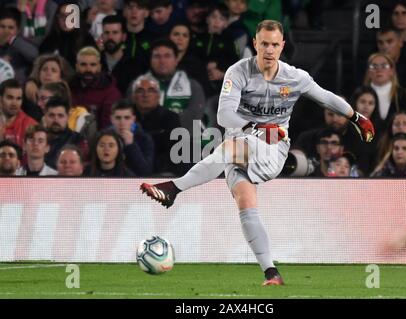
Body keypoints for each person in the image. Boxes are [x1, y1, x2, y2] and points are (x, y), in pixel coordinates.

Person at [139, 20, 375, 286]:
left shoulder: (295, 77)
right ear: (255, 44)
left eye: (275, 44)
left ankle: (174, 188)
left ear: (282, 45)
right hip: (240, 143)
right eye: (264, 44)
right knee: (246, 204)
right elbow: (224, 114)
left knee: (230, 148)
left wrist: (356, 117)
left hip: (273, 147)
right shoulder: (238, 72)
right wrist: (254, 126)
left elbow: (325, 97)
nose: (270, 50)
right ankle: (271, 272)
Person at [131, 74, 182, 175]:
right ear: (134, 96)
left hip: (160, 171)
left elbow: (175, 153)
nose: (145, 95)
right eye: (140, 91)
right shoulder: (126, 116)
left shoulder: (170, 118)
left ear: (158, 96)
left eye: (151, 90)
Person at [70, 46, 122, 130]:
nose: (88, 69)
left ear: (99, 67)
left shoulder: (111, 93)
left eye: (93, 65)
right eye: (83, 64)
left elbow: (107, 127)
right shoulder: (68, 88)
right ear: (76, 67)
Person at [99, 14, 142, 95]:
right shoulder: (95, 61)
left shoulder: (134, 65)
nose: (110, 37)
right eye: (106, 33)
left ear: (123, 36)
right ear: (102, 36)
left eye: (115, 33)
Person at [110, 99, 155, 176]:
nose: (122, 122)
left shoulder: (144, 139)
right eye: (118, 118)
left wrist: (131, 145)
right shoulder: (103, 136)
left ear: (133, 119)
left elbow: (145, 172)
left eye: (127, 118)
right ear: (111, 119)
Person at [42, 96, 89, 168]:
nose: (55, 120)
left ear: (68, 117)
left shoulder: (78, 140)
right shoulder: (37, 139)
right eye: (51, 115)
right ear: (45, 116)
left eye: (60, 116)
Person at [0, 8, 39, 83]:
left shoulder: (20, 45)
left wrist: (12, 40)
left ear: (17, 30)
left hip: (16, 87)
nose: (6, 31)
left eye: (10, 28)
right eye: (2, 26)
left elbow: (34, 56)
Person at [0, 78, 38, 147]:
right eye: (10, 98)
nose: (14, 103)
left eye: (18, 98)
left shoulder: (31, 126)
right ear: (0, 99)